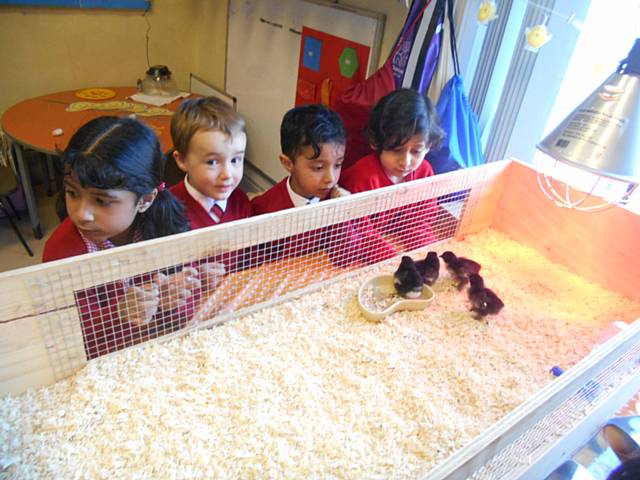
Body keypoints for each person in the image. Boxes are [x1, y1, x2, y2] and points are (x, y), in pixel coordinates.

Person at [43, 116, 204, 359]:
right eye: (72, 192)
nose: (81, 214)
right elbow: (60, 337)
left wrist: (175, 298)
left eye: (102, 201)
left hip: (163, 353)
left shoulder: (169, 229)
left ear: (146, 200)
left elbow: (188, 311)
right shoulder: (61, 252)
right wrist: (117, 313)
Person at [251, 104, 395, 266]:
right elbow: (254, 266)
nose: (330, 178)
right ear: (288, 163)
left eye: (338, 165)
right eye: (318, 168)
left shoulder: (338, 199)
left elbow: (345, 257)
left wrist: (343, 215)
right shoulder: (263, 208)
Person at [340, 88, 446, 250]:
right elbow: (359, 235)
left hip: (392, 243)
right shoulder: (362, 177)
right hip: (358, 248)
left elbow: (422, 221)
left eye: (416, 151)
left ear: (429, 146)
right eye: (396, 150)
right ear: (376, 143)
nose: (406, 162)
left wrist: (428, 255)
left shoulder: (425, 172)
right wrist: (395, 258)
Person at [169, 96, 252, 229]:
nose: (227, 175)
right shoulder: (168, 211)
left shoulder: (241, 202)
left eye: (235, 160)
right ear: (182, 160)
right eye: (212, 162)